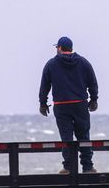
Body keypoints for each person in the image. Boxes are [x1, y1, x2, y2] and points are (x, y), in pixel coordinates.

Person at [39, 36, 99, 174]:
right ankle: (88, 167)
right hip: (80, 104)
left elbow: (44, 86)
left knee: (66, 138)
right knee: (84, 136)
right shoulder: (84, 63)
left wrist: (43, 103)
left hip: (61, 105)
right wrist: (94, 99)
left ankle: (68, 167)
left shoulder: (51, 64)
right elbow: (92, 82)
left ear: (59, 48)